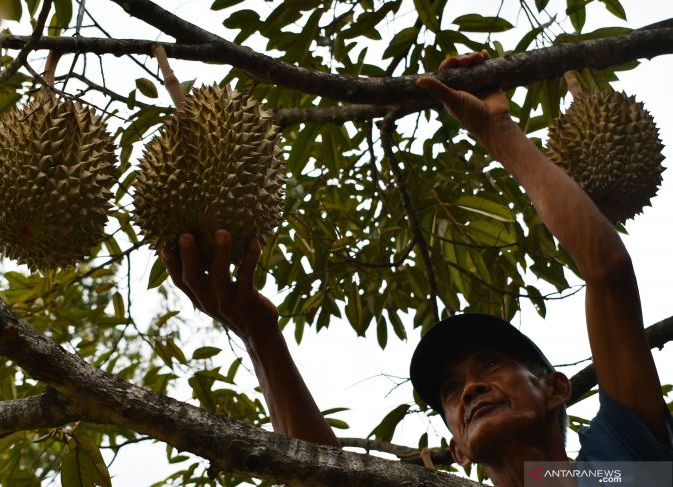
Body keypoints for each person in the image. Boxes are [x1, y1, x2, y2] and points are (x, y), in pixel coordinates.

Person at [161, 51, 673, 484]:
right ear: (459, 448)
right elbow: (318, 475)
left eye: (490, 365)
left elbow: (606, 271)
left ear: (557, 389)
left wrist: (499, 132)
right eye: (451, 391)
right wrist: (259, 334)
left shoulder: (619, 467)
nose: (470, 389)